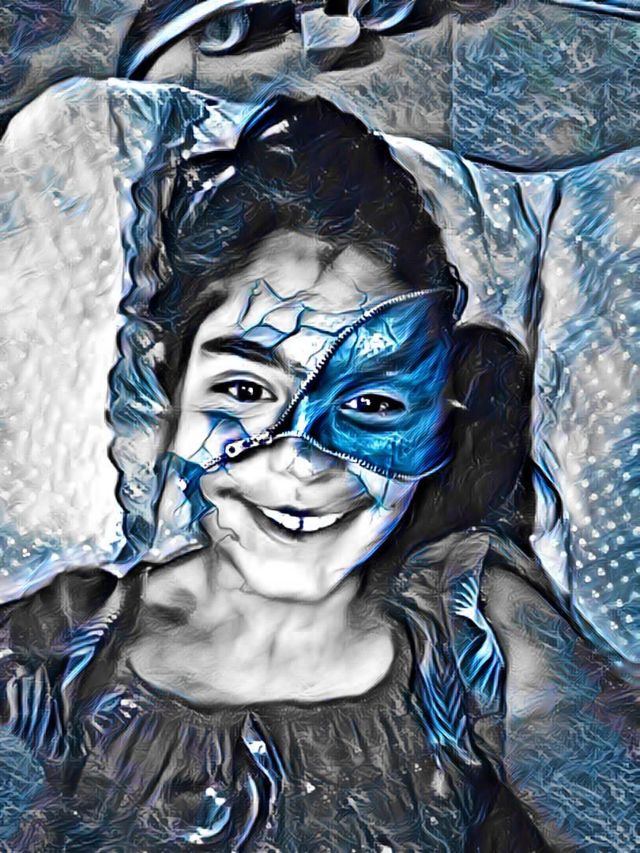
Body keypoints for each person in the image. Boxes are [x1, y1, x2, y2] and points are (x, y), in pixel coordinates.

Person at [0, 97, 635, 852]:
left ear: (439, 418)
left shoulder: (472, 628)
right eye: (244, 389)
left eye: (371, 403)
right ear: (168, 393)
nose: (301, 460)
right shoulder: (55, 650)